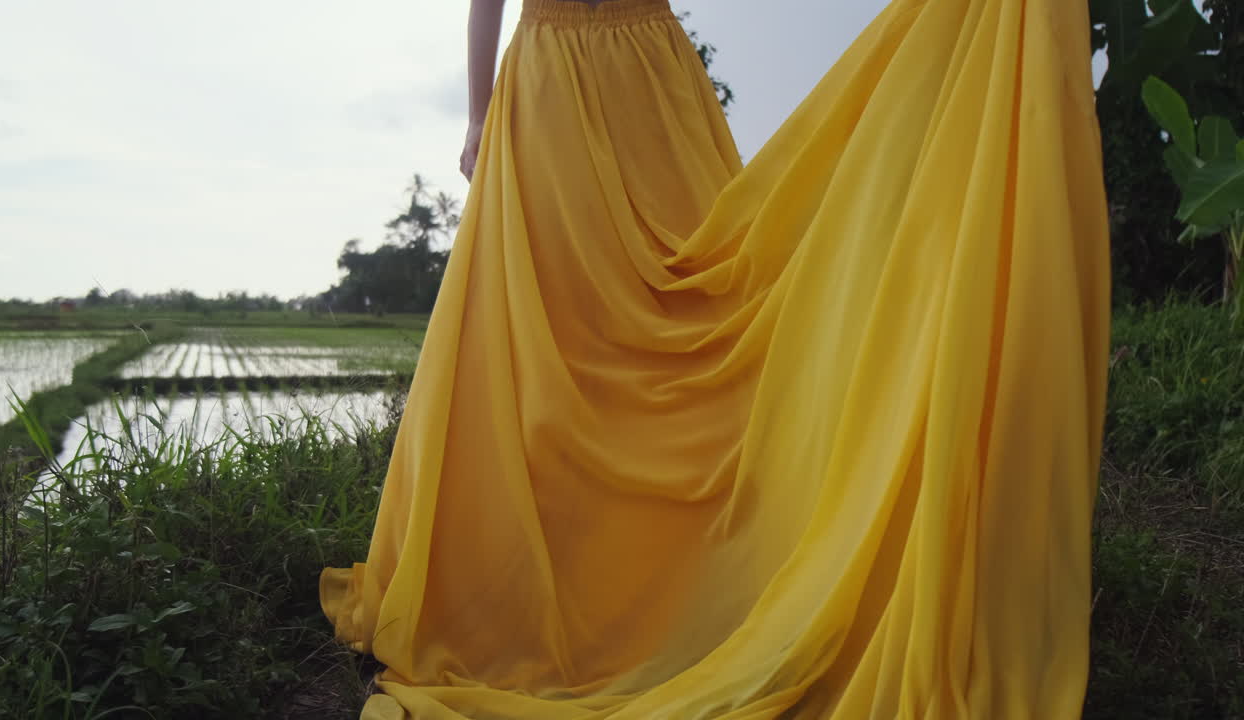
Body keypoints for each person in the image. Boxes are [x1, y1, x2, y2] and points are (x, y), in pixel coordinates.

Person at [320, 0, 1112, 717]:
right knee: (556, 331)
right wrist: (479, 109)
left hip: (649, 77)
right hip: (551, 75)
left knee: (714, 305)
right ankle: (550, 589)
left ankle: (720, 573)